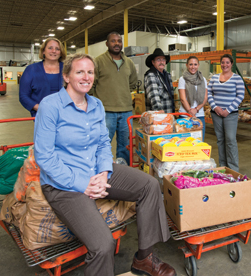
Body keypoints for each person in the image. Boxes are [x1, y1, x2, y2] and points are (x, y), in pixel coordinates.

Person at [34, 53, 176, 276]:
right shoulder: (50, 106)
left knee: (149, 186)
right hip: (63, 183)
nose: (86, 77)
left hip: (95, 170)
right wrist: (84, 184)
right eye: (79, 72)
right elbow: (45, 156)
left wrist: (103, 172)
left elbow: (102, 143)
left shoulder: (97, 104)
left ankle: (144, 258)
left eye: (90, 72)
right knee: (103, 245)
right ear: (66, 77)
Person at [89, 32, 138, 164]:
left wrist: (121, 93)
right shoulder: (98, 61)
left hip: (126, 110)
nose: (117, 43)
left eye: (119, 41)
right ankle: (99, 171)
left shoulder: (129, 63)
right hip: (105, 111)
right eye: (113, 41)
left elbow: (133, 83)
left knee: (125, 146)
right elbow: (91, 84)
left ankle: (123, 170)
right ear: (107, 44)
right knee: (102, 144)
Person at [207, 54, 245, 172]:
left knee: (230, 140)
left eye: (227, 62)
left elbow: (240, 96)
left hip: (230, 114)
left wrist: (227, 110)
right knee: (220, 140)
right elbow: (209, 94)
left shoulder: (237, 78)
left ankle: (233, 168)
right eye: (222, 62)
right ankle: (223, 166)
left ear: (231, 64)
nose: (225, 65)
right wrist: (215, 107)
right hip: (216, 113)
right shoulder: (214, 78)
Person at [19, 37, 66, 117]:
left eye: (57, 49)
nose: (54, 51)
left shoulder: (68, 69)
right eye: (50, 48)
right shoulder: (31, 69)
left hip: (66, 115)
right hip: (41, 115)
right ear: (43, 51)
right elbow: (23, 96)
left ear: (61, 53)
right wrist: (40, 108)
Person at [178, 56, 208, 140]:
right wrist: (190, 111)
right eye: (190, 64)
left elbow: (205, 97)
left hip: (199, 115)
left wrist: (196, 109)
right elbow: (183, 99)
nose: (193, 67)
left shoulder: (203, 79)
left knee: (199, 141)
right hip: (185, 115)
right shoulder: (182, 79)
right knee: (184, 141)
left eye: (195, 64)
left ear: (198, 65)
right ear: (187, 65)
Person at [144, 48, 175, 114]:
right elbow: (153, 95)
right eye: (158, 60)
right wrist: (158, 109)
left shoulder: (167, 75)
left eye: (163, 59)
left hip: (169, 114)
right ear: (153, 62)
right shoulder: (151, 75)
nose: (161, 62)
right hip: (158, 116)